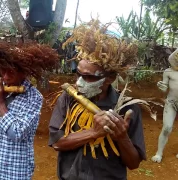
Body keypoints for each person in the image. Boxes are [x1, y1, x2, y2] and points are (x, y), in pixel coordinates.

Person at [48, 19, 146, 180]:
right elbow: (58, 143)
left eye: (89, 77)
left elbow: (134, 163)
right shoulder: (67, 98)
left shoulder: (127, 109)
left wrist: (122, 137)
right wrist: (94, 132)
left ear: (109, 78)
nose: (78, 82)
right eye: (78, 73)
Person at [0, 41, 58, 179]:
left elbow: (17, 133)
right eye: (2, 71)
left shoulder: (34, 97)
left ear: (24, 72)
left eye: (11, 72)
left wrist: (0, 102)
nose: (5, 77)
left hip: (15, 170)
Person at [151, 48, 178, 163]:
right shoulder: (168, 71)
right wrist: (162, 87)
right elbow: (164, 90)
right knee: (167, 127)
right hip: (171, 102)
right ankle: (159, 153)